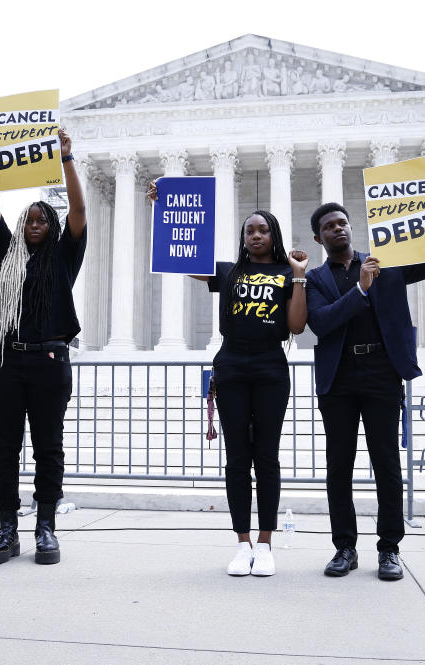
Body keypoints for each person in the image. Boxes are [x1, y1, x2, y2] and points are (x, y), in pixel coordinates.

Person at [148, 181, 307, 576]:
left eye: (262, 229)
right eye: (249, 230)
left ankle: (266, 543)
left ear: (274, 236)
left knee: (266, 457)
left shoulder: (287, 273)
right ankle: (242, 543)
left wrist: (300, 275)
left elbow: (297, 326)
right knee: (237, 459)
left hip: (271, 368)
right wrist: (161, 212)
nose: (255, 235)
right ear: (243, 238)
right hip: (232, 367)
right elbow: (182, 259)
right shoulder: (228, 272)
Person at [305, 173, 425, 580]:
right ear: (319, 239)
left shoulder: (385, 262)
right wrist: (361, 291)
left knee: (386, 462)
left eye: (342, 222)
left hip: (382, 373)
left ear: (351, 227)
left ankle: (389, 549)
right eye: (328, 226)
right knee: (340, 465)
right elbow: (320, 323)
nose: (337, 228)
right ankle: (345, 548)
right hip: (339, 377)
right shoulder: (316, 279)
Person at [0, 126, 86, 566]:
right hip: (4, 361)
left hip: (49, 360)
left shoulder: (64, 256)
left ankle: (45, 528)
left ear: (53, 226)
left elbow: (78, 207)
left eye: (42, 220)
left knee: (48, 446)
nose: (35, 225)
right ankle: (7, 529)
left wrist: (65, 159)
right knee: (3, 446)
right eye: (29, 220)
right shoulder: (7, 253)